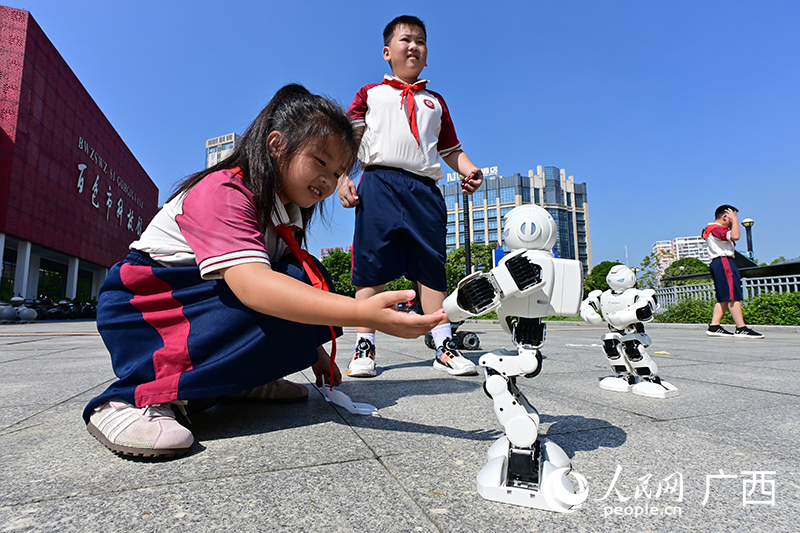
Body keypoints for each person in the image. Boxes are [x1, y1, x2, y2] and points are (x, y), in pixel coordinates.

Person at [83, 84, 448, 459]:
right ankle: (132, 399)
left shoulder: (283, 214)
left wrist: (314, 351)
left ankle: (239, 379)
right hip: (150, 308)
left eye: (338, 171)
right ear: (276, 145)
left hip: (198, 303)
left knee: (304, 277)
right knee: (293, 282)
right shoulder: (225, 189)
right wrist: (361, 314)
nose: (327, 179)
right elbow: (254, 287)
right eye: (320, 161)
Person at [338, 15, 483, 378]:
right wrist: (341, 177)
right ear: (388, 52)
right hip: (379, 183)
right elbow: (349, 142)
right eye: (405, 40)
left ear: (427, 54)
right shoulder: (369, 94)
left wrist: (470, 170)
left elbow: (451, 150)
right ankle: (365, 344)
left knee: (431, 265)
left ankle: (443, 344)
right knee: (371, 264)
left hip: (424, 189)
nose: (413, 46)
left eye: (420, 41)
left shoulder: (435, 102)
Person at [702, 205, 764, 338]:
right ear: (725, 217)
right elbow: (735, 236)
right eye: (732, 217)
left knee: (724, 297)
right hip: (724, 261)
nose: (734, 221)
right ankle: (741, 328)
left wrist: (734, 219)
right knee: (732, 294)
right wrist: (735, 220)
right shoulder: (716, 228)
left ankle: (714, 326)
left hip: (718, 263)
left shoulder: (711, 229)